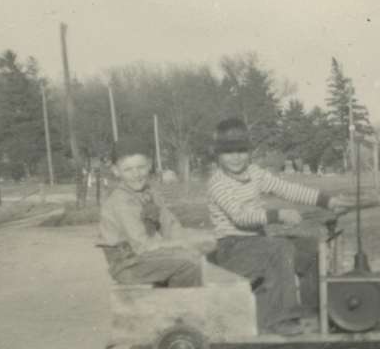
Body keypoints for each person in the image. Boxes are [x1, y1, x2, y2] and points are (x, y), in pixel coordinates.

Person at [206, 118, 354, 335]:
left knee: (311, 249)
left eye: (241, 150)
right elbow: (241, 217)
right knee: (279, 249)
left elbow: (286, 188)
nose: (236, 157)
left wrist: (327, 201)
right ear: (218, 155)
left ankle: (315, 312)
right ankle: (279, 319)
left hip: (257, 244)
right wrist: (278, 215)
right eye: (229, 152)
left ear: (249, 151)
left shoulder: (254, 173)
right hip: (232, 249)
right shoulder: (217, 183)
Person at [99, 153, 204, 287]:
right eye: (128, 170)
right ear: (116, 171)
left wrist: (185, 241)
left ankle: (177, 301)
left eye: (141, 167)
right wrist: (178, 244)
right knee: (188, 264)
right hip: (128, 265)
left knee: (192, 255)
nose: (136, 174)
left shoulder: (150, 193)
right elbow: (142, 245)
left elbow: (170, 224)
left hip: (145, 259)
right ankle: (181, 305)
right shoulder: (122, 201)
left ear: (149, 166)